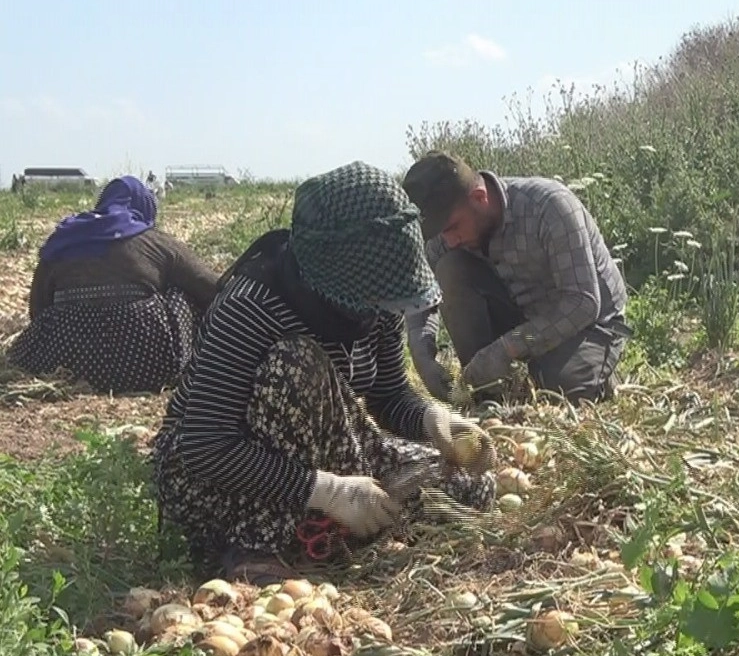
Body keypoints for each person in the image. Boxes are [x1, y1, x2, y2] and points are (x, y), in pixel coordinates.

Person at [151, 161, 497, 585]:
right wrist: (329, 491)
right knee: (299, 365)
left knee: (470, 487)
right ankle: (256, 546)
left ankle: (317, 525)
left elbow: (387, 395)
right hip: (219, 477)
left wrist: (432, 418)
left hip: (323, 453)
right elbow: (206, 447)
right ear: (337, 273)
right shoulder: (252, 306)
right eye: (375, 293)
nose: (383, 306)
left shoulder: (375, 300)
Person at [400, 151, 631, 404]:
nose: (449, 240)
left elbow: (582, 304)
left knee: (555, 391)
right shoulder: (447, 231)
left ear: (479, 198)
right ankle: (486, 389)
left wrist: (509, 348)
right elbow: (421, 293)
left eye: (453, 228)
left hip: (585, 325)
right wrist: (422, 354)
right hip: (522, 317)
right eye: (441, 233)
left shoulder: (549, 206)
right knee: (450, 267)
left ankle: (597, 372)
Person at [6, 175, 220, 394]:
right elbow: (211, 290)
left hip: (64, 360)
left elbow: (38, 308)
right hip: (147, 364)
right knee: (181, 292)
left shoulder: (65, 239)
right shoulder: (155, 241)